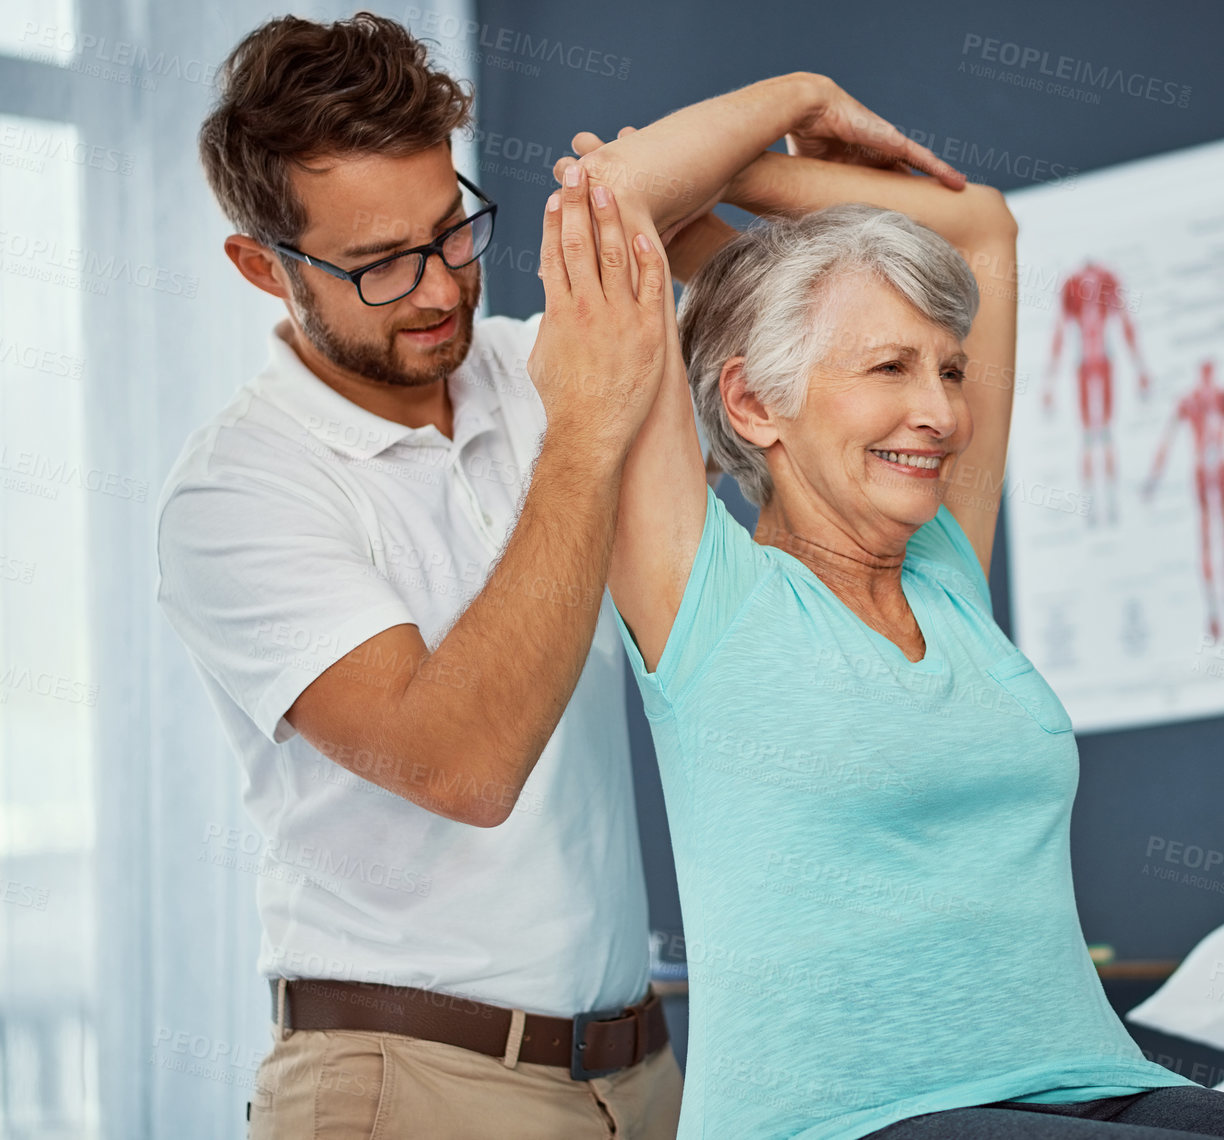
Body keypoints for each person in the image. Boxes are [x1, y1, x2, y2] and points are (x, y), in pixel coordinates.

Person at [154, 12, 963, 1136]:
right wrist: (583, 428)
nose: (439, 289)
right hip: (408, 1081)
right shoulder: (237, 494)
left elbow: (642, 211)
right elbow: (466, 768)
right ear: (260, 266)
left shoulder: (524, 365)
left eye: (452, 231)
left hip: (639, 1071)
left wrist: (795, 95)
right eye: (381, 262)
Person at [563, 147, 1224, 1140]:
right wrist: (796, 97)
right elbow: (622, 192)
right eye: (889, 367)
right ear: (749, 404)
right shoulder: (707, 598)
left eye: (948, 367)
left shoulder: (946, 571)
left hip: (1080, 1082)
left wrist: (774, 225)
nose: (942, 410)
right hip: (840, 1121)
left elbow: (983, 224)